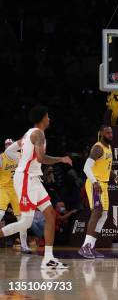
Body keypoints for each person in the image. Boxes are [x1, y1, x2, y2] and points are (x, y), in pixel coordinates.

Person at [0, 105, 72, 269]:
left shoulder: (28, 134)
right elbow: (40, 158)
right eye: (47, 116)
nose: (49, 119)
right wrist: (61, 159)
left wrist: (21, 159)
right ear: (42, 119)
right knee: (25, 223)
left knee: (50, 215)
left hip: (34, 179)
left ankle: (48, 259)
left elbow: (10, 151)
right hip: (26, 178)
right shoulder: (38, 134)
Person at [79, 125, 118, 259]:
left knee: (104, 215)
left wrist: (116, 178)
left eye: (111, 133)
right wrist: (94, 182)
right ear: (101, 134)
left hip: (103, 185)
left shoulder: (108, 148)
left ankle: (91, 247)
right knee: (97, 211)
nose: (111, 135)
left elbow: (106, 168)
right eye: (108, 133)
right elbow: (86, 167)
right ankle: (85, 246)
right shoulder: (98, 148)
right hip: (95, 183)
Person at [0, 138, 31, 253]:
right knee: (1, 213)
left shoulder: (19, 156)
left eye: (10, 144)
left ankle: (24, 245)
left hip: (17, 190)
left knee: (22, 219)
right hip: (3, 189)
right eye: (7, 144)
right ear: (4, 146)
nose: (8, 146)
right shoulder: (1, 157)